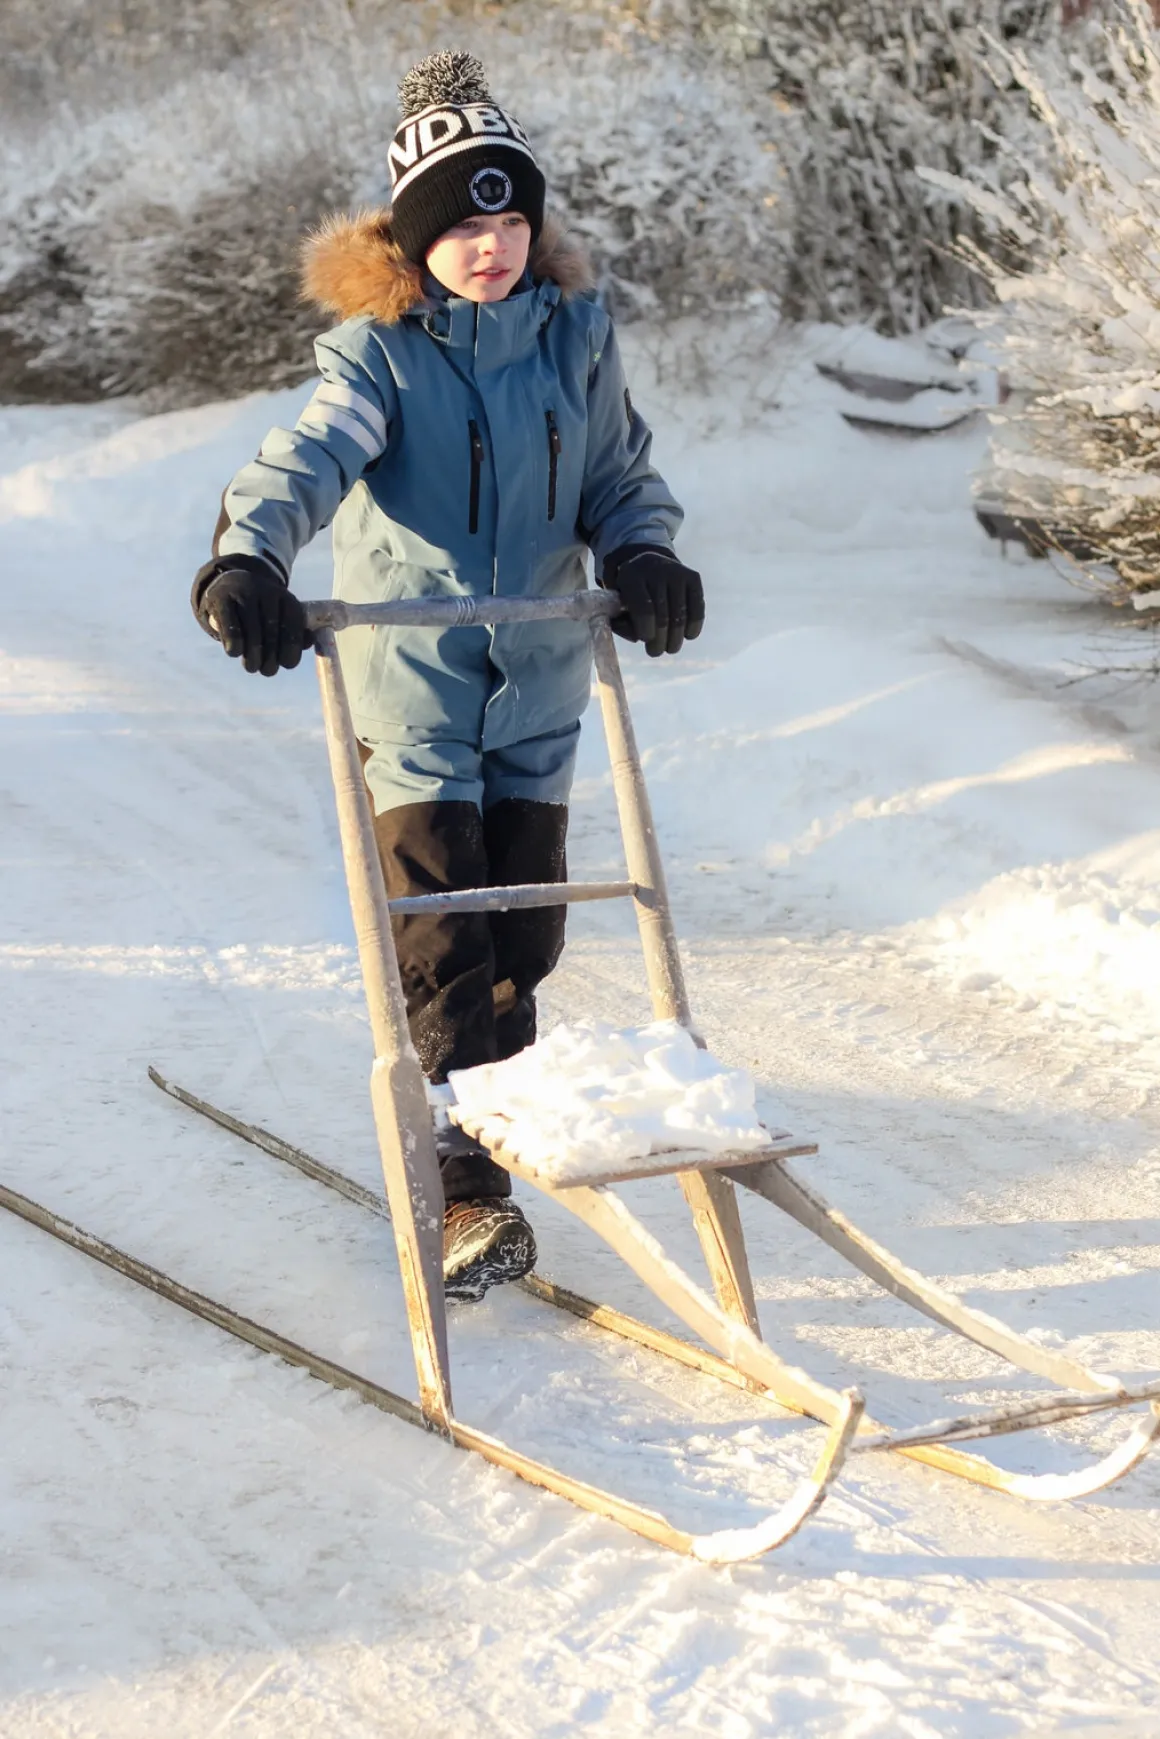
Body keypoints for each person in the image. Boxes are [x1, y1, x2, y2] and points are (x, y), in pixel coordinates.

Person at [190, 50, 703, 1302]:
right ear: (418, 241)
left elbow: (615, 472)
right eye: (466, 228)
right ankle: (465, 1184)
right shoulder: (382, 357)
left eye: (511, 220)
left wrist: (642, 550)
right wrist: (248, 557)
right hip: (412, 688)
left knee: (526, 935)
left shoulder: (575, 341)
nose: (492, 247)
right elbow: (306, 461)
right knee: (445, 947)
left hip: (538, 685)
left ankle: (491, 1135)